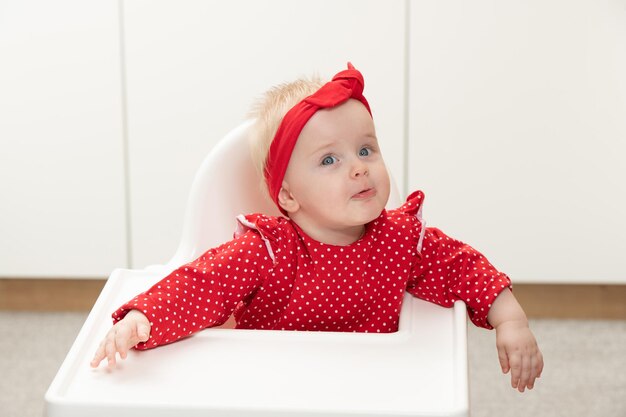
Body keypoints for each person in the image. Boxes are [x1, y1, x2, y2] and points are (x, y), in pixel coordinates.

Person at [91, 63, 543, 392]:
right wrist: (141, 320)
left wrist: (510, 318)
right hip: (273, 392)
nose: (358, 169)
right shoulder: (266, 251)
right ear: (288, 196)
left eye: (366, 150)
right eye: (330, 160)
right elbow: (199, 286)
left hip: (369, 390)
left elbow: (462, 267)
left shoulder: (402, 240)